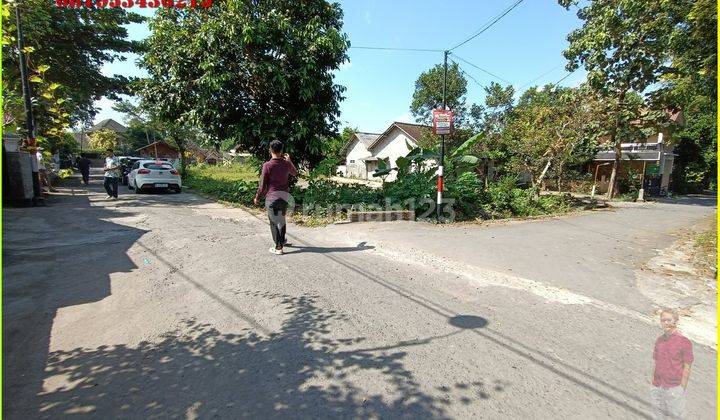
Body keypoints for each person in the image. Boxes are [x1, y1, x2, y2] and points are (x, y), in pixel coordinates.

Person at [253, 140, 297, 255]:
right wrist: (290, 161)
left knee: (274, 222)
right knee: (281, 220)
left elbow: (262, 185)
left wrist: (257, 197)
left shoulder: (267, 165)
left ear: (270, 150)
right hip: (284, 197)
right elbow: (295, 173)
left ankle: (278, 248)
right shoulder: (286, 163)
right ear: (281, 151)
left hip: (272, 198)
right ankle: (281, 241)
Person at [651, 308, 693, 419]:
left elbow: (687, 367)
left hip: (674, 388)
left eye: (669, 320)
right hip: (658, 386)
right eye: (663, 320)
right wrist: (654, 385)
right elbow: (656, 363)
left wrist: (681, 389)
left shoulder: (684, 342)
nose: (665, 323)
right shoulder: (659, 340)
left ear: (676, 321)